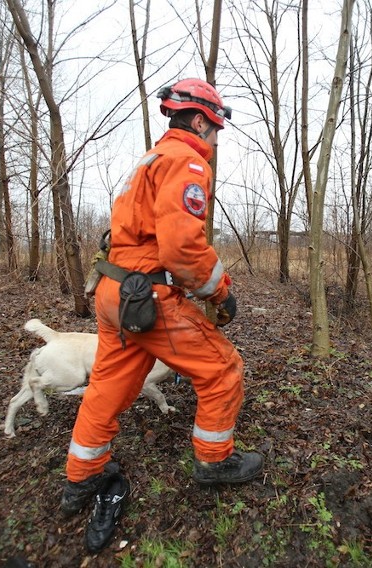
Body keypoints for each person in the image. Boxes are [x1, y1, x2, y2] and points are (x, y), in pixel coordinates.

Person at [60, 78, 264, 524]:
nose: (215, 139)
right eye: (214, 129)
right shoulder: (186, 163)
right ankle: (214, 460)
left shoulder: (150, 159)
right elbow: (183, 249)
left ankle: (83, 472)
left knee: (109, 383)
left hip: (116, 293)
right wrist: (220, 292)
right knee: (223, 368)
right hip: (148, 297)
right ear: (197, 121)